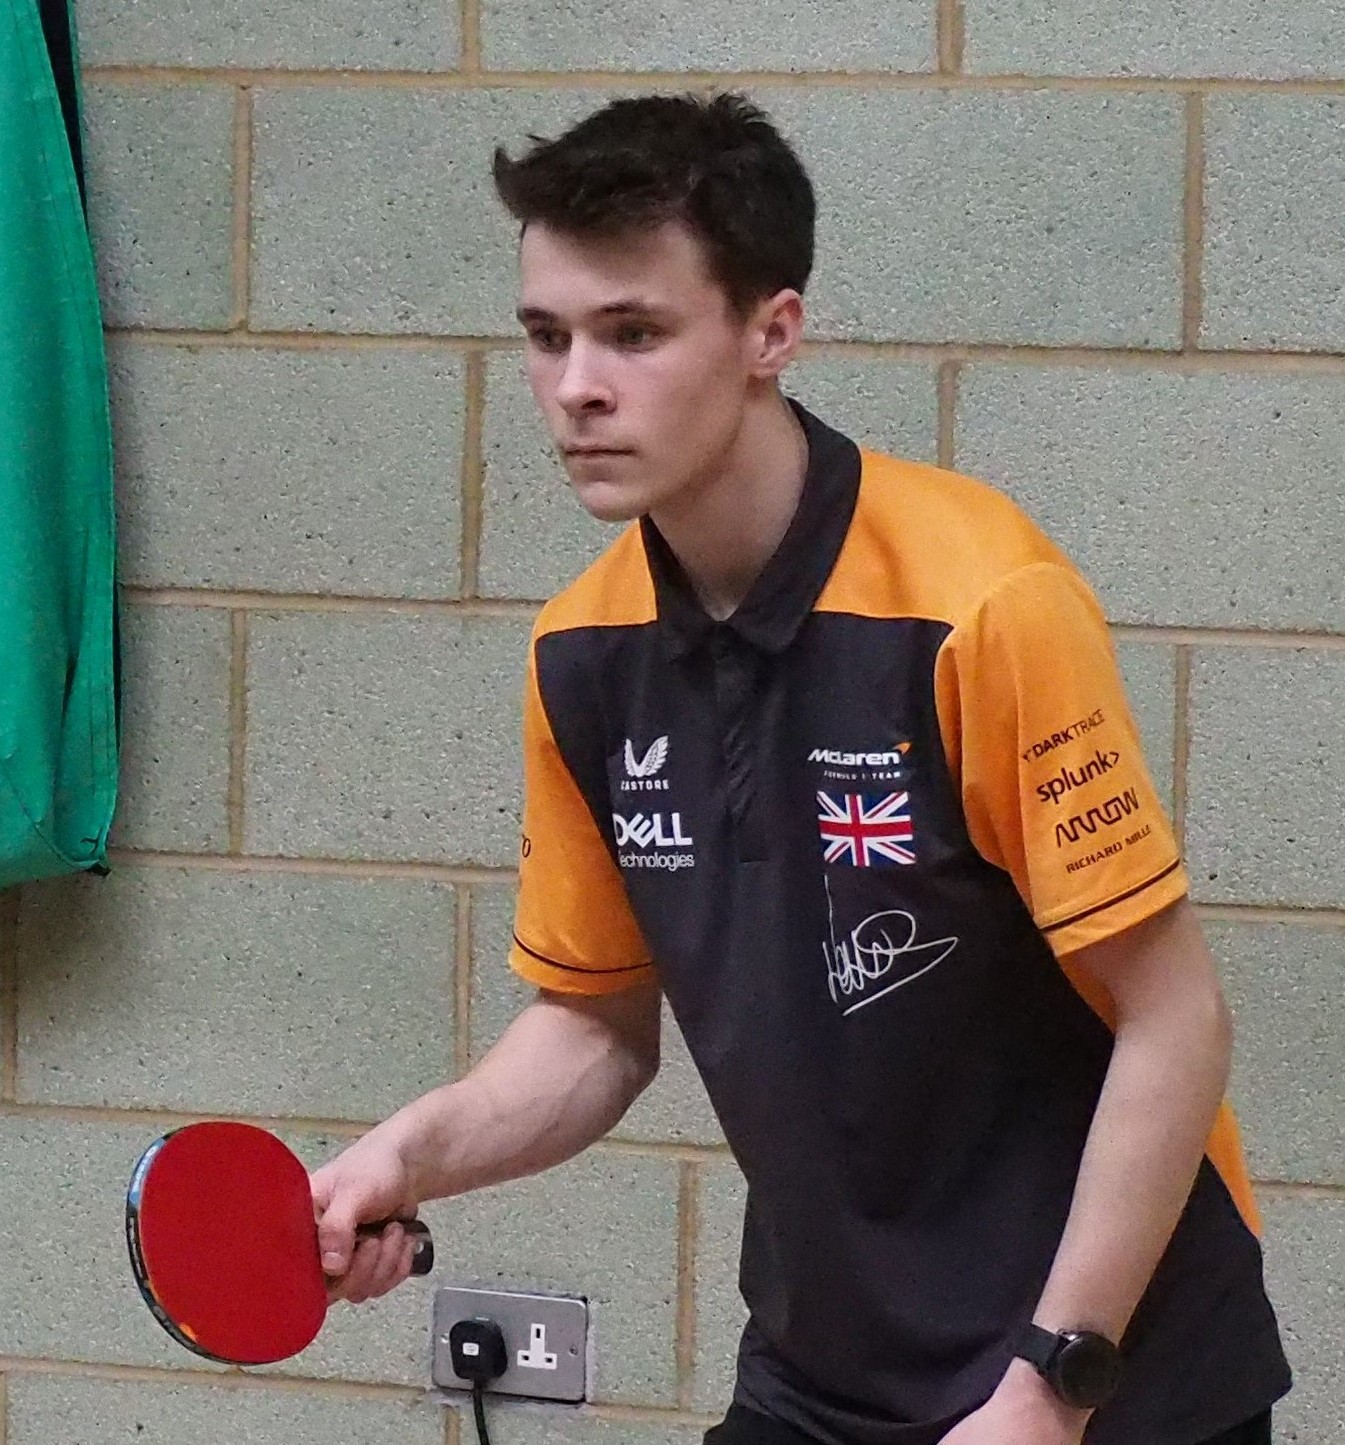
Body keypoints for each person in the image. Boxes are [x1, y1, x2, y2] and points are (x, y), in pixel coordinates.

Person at [309, 93, 1291, 1445]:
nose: (577, 384)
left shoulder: (983, 602)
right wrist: (408, 1153)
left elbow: (1174, 1019)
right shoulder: (581, 653)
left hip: (1106, 1369)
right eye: (546, 336)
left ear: (772, 331)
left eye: (633, 332)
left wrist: (1048, 1387)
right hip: (822, 1376)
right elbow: (595, 1030)